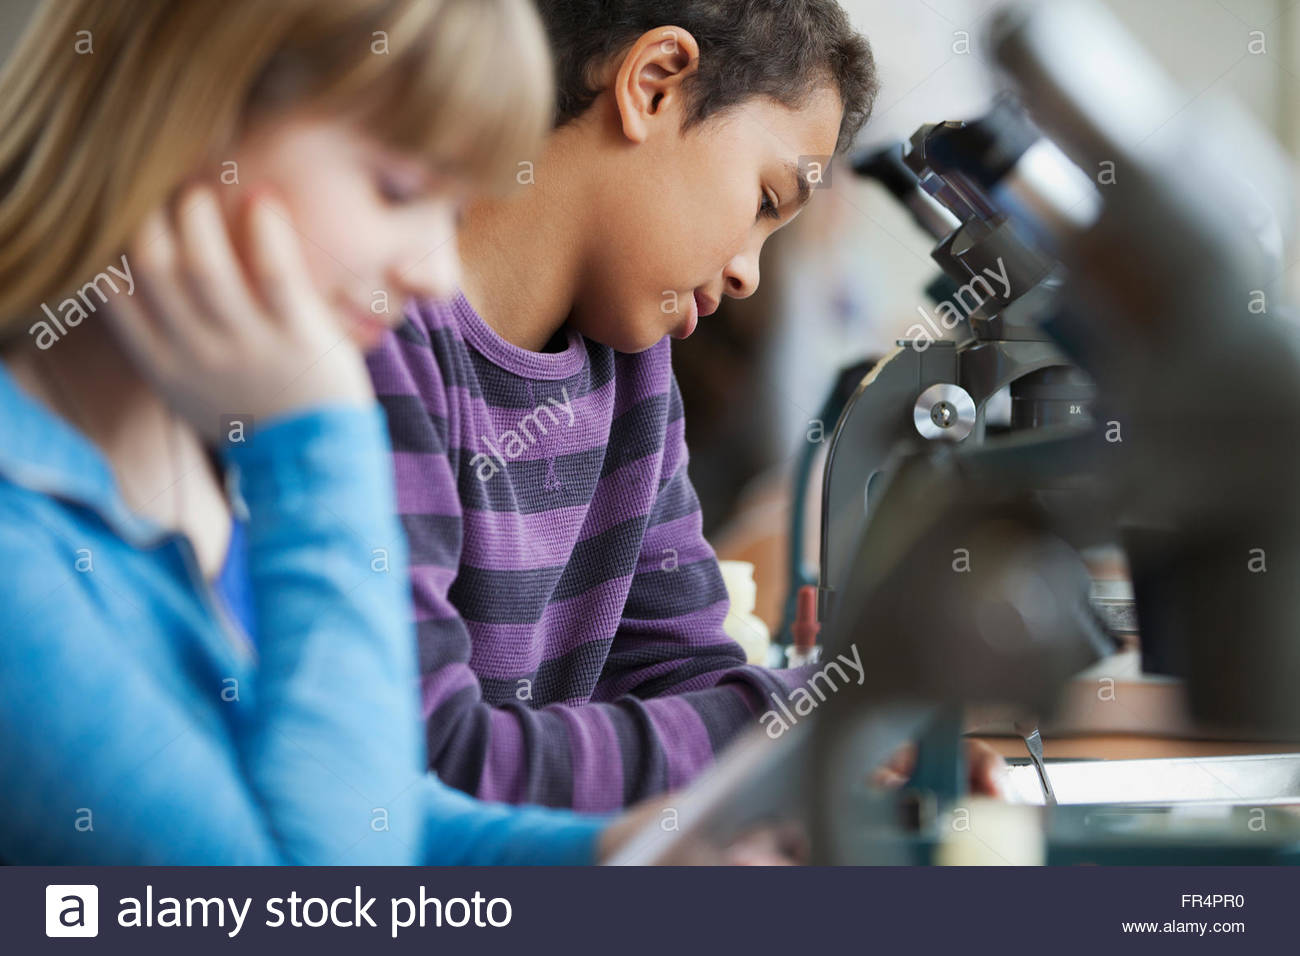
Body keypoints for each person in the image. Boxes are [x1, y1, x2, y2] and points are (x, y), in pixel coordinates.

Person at [0, 0, 628, 865]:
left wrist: (628, 863)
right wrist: (317, 442)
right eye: (398, 188)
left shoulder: (211, 461)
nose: (436, 276)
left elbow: (368, 808)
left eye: (453, 215)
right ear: (185, 118)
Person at [365, 0, 1009, 810]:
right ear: (656, 85)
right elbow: (435, 757)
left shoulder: (634, 371)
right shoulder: (382, 340)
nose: (749, 274)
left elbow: (685, 680)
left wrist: (842, 744)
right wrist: (794, 720)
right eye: (767, 201)